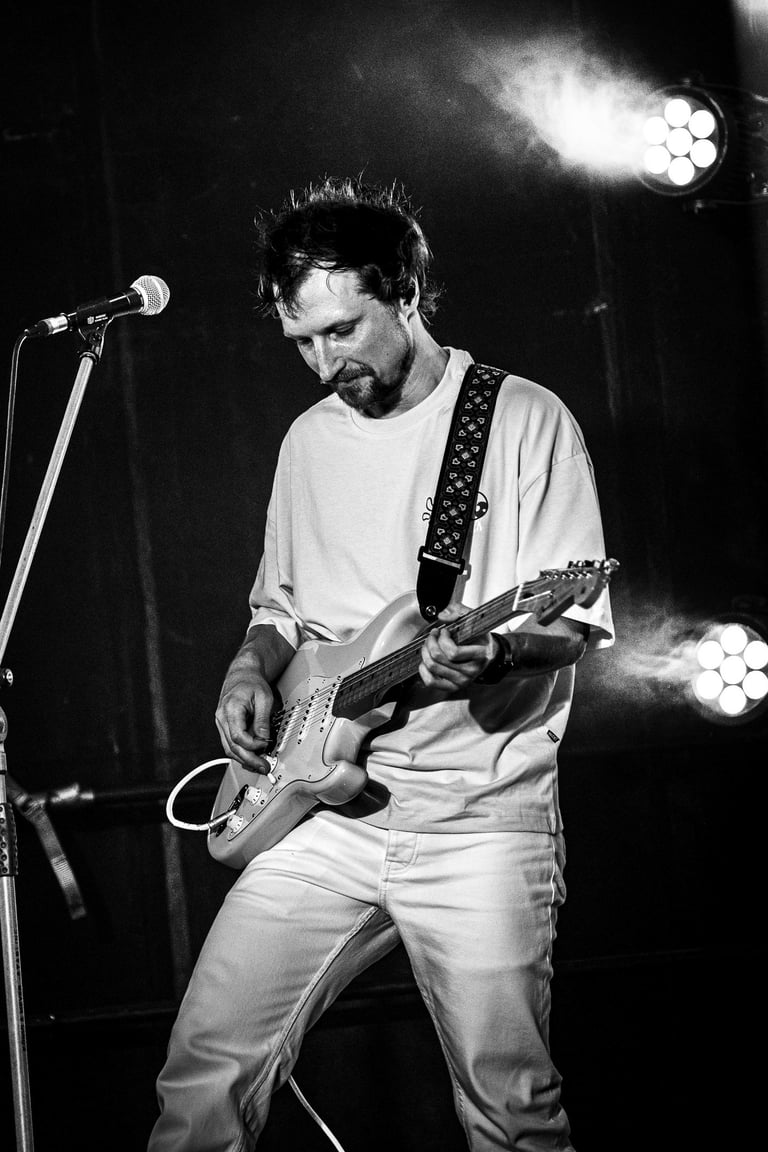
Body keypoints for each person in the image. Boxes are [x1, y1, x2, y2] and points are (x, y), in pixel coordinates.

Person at [148, 176, 614, 1151]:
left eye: (342, 331)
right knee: (203, 1070)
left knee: (512, 1111)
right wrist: (246, 671)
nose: (325, 365)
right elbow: (279, 611)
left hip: (479, 823)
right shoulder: (308, 442)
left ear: (404, 290)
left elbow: (571, 629)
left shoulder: (522, 420)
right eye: (302, 342)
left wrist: (492, 655)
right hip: (328, 816)